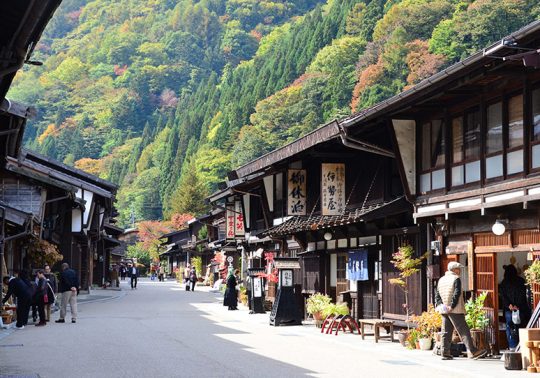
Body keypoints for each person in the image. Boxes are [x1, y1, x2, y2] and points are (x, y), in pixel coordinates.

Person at [436, 261, 486, 360]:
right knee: (464, 330)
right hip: (455, 309)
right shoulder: (456, 279)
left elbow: (437, 295)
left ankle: (444, 353)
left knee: (446, 331)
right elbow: (457, 293)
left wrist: (441, 305)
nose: (459, 271)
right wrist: (452, 306)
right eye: (458, 269)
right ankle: (473, 351)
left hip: (444, 309)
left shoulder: (441, 280)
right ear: (454, 270)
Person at [499, 264, 531, 349]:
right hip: (521, 308)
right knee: (522, 326)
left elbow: (503, 296)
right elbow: (523, 295)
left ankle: (512, 346)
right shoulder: (521, 281)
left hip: (509, 310)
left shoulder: (503, 283)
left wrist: (509, 305)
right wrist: (517, 306)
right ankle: (523, 346)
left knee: (510, 327)